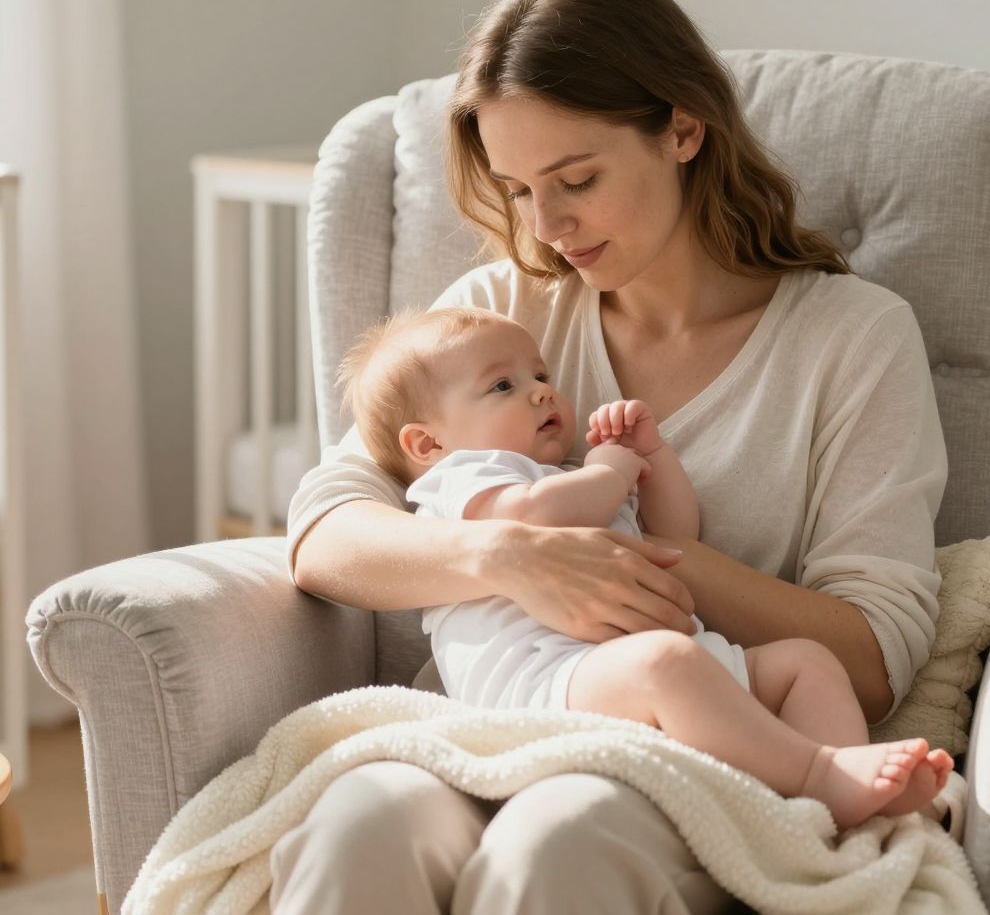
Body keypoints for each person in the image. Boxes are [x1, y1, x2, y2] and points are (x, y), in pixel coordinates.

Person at [276, 0, 948, 914]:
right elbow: (326, 534)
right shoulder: (499, 318)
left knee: (557, 846)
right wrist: (508, 555)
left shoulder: (853, 338)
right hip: (494, 722)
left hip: (701, 745)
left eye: (576, 180)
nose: (547, 226)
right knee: (358, 825)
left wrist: (629, 565)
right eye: (518, 190)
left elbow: (873, 657)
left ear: (683, 129)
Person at [335, 304, 953, 829]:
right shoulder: (462, 480)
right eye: (503, 386)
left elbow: (677, 537)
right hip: (547, 689)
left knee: (807, 663)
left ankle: (842, 802)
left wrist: (651, 458)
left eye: (541, 375)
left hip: (646, 670)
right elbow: (531, 517)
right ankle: (819, 774)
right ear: (428, 443)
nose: (541, 390)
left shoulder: (570, 477)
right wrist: (610, 471)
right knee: (666, 665)